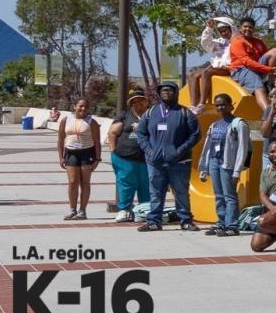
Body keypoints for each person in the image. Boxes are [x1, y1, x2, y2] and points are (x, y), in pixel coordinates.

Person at [134, 81, 201, 232]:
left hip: (180, 162)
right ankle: (154, 221)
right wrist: (149, 151)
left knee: (181, 192)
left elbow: (195, 135)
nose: (166, 93)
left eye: (170, 90)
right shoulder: (151, 112)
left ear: (176, 93)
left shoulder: (185, 113)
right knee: (156, 193)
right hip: (155, 162)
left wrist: (180, 150)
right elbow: (141, 133)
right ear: (159, 94)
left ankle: (185, 220)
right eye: (163, 90)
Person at [197, 93, 250, 237]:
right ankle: (221, 223)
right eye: (217, 105)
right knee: (219, 195)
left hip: (228, 165)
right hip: (214, 162)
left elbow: (242, 149)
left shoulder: (239, 123)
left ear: (231, 105)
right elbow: (208, 147)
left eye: (223, 104)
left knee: (230, 196)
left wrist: (237, 171)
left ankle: (232, 225)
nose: (220, 107)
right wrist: (204, 168)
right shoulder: (214, 125)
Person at [108, 86, 150, 223]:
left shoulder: (152, 115)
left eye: (141, 100)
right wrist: (113, 153)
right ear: (131, 103)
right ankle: (125, 210)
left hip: (147, 159)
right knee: (126, 184)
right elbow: (112, 133)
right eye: (135, 101)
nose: (138, 103)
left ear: (146, 101)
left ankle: (145, 210)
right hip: (124, 158)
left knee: (147, 184)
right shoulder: (124, 115)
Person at [57, 99, 100, 220]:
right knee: (72, 182)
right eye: (80, 106)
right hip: (71, 153)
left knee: (85, 182)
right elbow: (60, 139)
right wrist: (61, 157)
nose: (83, 109)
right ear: (74, 106)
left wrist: (97, 159)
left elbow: (97, 141)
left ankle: (82, 211)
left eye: (86, 107)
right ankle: (72, 210)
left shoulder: (92, 122)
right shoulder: (66, 120)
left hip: (87, 153)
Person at [187, 16, 234, 113]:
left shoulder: (236, 41)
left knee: (206, 72)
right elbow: (206, 43)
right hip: (216, 68)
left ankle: (202, 103)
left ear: (231, 28)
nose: (223, 33)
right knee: (192, 75)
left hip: (229, 68)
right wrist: (209, 28)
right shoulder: (221, 42)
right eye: (221, 31)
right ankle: (193, 106)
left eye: (225, 30)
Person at [228, 17, 275, 113]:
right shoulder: (237, 42)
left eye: (250, 27)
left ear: (254, 29)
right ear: (240, 28)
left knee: (275, 51)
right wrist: (268, 69)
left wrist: (274, 71)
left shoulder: (259, 42)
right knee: (258, 86)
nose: (248, 29)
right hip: (241, 70)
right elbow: (246, 62)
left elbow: (267, 55)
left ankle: (271, 84)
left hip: (257, 68)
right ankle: (268, 113)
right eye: (245, 27)